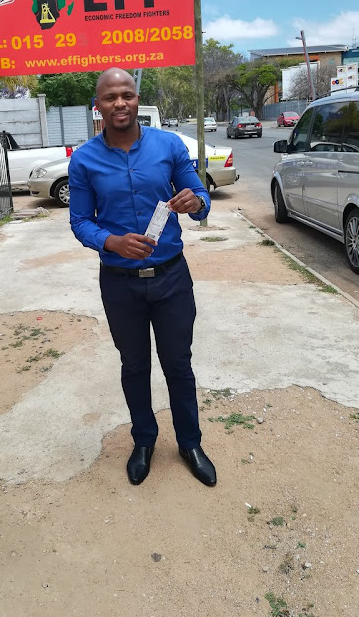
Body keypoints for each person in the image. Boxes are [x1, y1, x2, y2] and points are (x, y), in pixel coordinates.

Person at [69, 68, 216, 487]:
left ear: (137, 100)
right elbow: (80, 221)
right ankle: (144, 441)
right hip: (119, 283)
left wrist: (195, 200)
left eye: (127, 95)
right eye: (111, 97)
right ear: (97, 106)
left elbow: (201, 198)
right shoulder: (84, 160)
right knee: (134, 365)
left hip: (171, 279)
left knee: (178, 365)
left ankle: (189, 442)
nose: (120, 103)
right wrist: (111, 242)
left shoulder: (168, 146)